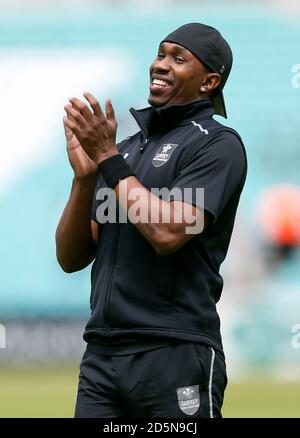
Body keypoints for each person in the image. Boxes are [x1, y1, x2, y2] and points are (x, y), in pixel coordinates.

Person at [55, 22, 247, 418]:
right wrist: (85, 177)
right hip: (102, 357)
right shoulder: (123, 151)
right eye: (160, 54)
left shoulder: (216, 144)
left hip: (174, 351)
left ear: (209, 82)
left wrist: (107, 160)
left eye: (179, 58)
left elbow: (166, 233)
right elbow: (71, 257)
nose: (161, 65)